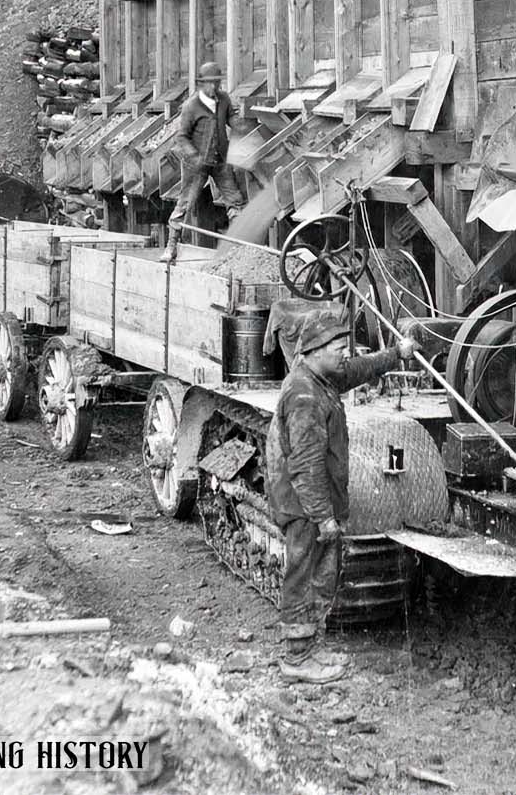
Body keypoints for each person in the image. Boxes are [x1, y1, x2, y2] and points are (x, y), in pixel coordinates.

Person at [264, 306, 418, 684]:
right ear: (314, 351)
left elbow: (355, 371)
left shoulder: (322, 378)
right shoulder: (304, 396)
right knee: (303, 571)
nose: (344, 352)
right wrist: (323, 517)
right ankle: (297, 657)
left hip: (315, 500)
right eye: (337, 346)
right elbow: (306, 465)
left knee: (321, 573)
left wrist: (396, 354)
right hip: (303, 503)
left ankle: (310, 645)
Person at [163, 61, 244, 263]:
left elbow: (231, 119)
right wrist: (194, 156)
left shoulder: (224, 99)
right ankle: (171, 247)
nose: (214, 87)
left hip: (220, 161)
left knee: (235, 201)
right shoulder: (191, 106)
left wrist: (242, 126)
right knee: (185, 204)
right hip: (195, 166)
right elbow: (181, 137)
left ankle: (240, 249)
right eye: (210, 83)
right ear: (201, 84)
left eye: (217, 83)